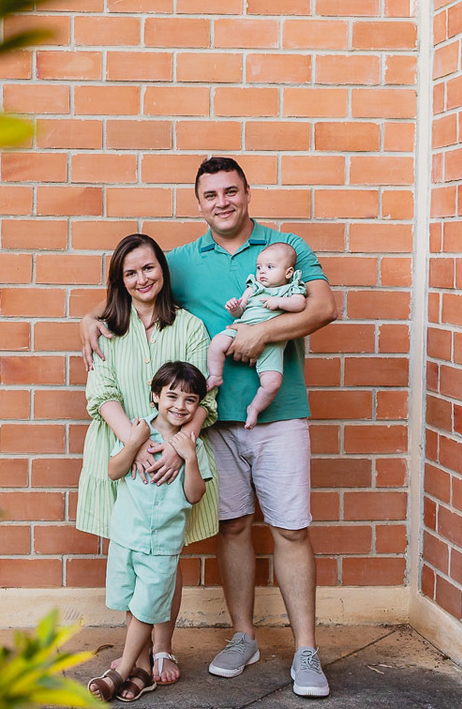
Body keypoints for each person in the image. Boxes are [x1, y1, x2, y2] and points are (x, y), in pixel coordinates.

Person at [80, 156, 338, 699]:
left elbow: (323, 308)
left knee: (291, 528)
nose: (222, 202)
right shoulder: (181, 260)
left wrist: (264, 333)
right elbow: (131, 282)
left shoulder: (285, 249)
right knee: (234, 527)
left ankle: (306, 650)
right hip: (213, 426)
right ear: (199, 202)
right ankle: (243, 637)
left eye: (231, 192)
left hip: (278, 412)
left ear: (248, 193)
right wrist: (92, 319)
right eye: (210, 195)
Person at [76, 233, 220, 688]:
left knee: (166, 556)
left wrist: (181, 448)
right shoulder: (106, 329)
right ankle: (135, 658)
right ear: (120, 281)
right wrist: (135, 443)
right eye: (130, 272)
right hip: (123, 447)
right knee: (134, 554)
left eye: (149, 267)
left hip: (177, 454)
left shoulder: (190, 327)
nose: (142, 278)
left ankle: (160, 651)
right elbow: (101, 393)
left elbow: (204, 399)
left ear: (163, 269)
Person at [87, 362, 214, 703]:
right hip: (127, 536)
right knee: (131, 602)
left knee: (147, 608)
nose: (180, 406)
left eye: (190, 400)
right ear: (155, 396)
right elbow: (114, 471)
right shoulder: (138, 429)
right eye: (171, 396)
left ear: (198, 404)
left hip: (163, 544)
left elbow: (195, 494)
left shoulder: (192, 444)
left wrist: (188, 459)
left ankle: (119, 671)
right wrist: (134, 443)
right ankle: (143, 670)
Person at [206, 241, 307, 429]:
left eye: (270, 267)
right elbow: (241, 310)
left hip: (273, 343)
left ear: (288, 272)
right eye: (259, 267)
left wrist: (279, 302)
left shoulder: (290, 289)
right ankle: (215, 376)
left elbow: (300, 305)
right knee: (217, 343)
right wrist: (235, 308)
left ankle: (254, 408)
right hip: (242, 327)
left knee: (272, 383)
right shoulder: (254, 287)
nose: (262, 272)